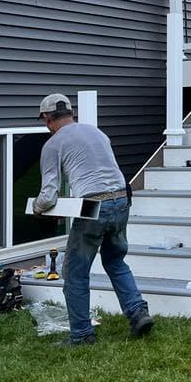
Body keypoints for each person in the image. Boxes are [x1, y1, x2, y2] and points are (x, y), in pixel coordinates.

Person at [32, 94, 153, 346]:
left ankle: (81, 335)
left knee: (75, 272)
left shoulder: (53, 144)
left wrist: (36, 207)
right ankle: (138, 312)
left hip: (94, 205)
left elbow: (49, 193)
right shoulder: (97, 133)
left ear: (47, 118)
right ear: (70, 113)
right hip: (122, 199)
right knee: (115, 260)